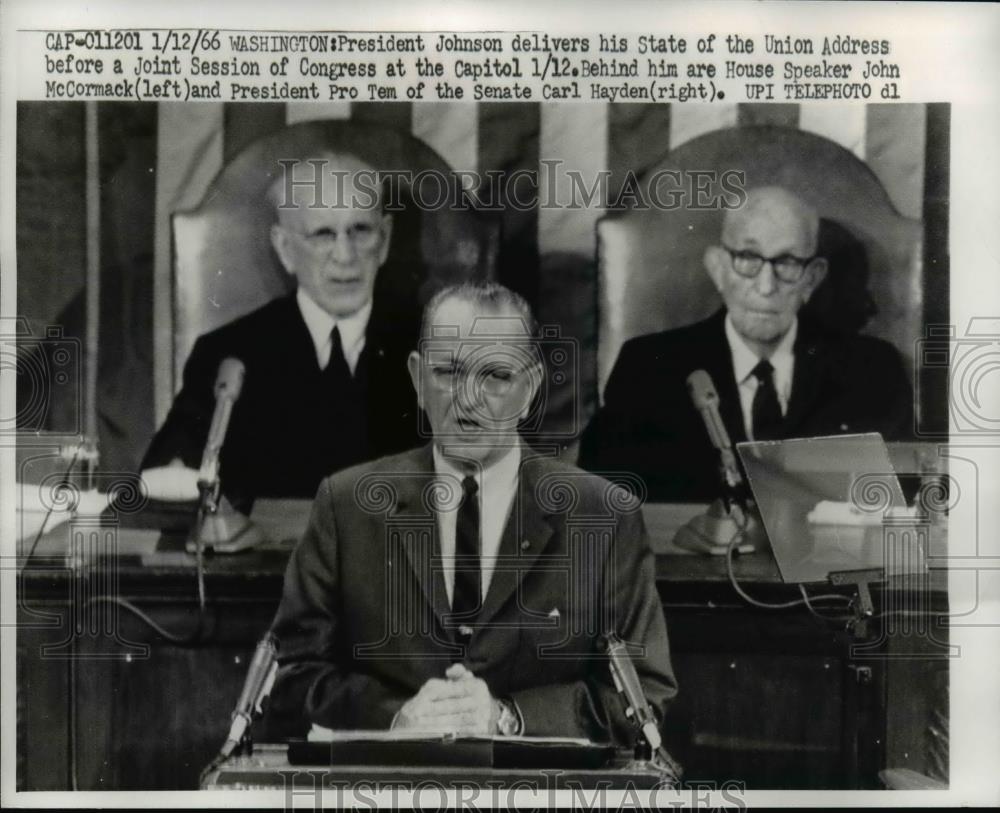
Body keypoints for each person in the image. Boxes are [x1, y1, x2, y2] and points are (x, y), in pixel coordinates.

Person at [268, 282, 676, 743]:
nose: (468, 401)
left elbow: (643, 694)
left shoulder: (602, 515)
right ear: (418, 379)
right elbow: (289, 677)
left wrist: (508, 718)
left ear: (530, 389)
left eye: (497, 376)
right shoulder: (346, 504)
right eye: (448, 372)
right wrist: (399, 716)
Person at [579, 185, 913, 502]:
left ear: (811, 279)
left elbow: (902, 506)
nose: (766, 287)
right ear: (719, 268)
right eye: (748, 258)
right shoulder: (648, 368)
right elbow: (601, 505)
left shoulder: (872, 372)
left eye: (787, 263)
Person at [141, 152, 420, 500]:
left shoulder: (435, 348)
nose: (345, 256)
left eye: (360, 230)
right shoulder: (228, 355)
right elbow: (165, 478)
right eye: (323, 235)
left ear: (385, 239)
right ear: (285, 248)